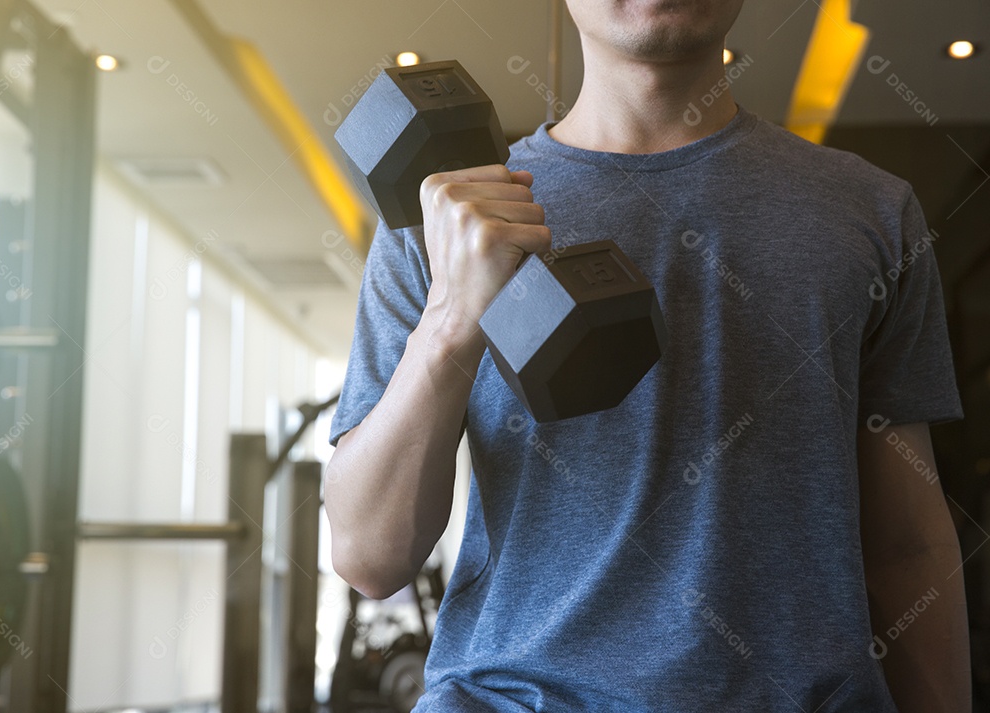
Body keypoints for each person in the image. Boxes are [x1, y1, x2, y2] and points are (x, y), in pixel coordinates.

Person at [324, 0, 970, 710]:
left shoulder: (874, 212)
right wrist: (450, 319)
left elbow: (907, 548)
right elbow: (369, 557)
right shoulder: (441, 222)